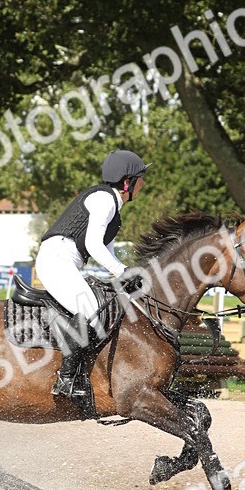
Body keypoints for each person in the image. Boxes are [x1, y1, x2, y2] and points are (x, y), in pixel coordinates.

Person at [34, 149, 148, 398]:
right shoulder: (103, 200)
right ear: (127, 183)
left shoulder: (113, 207)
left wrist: (122, 275)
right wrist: (122, 271)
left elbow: (107, 252)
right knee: (90, 311)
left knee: (100, 308)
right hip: (55, 260)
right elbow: (94, 245)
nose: (143, 184)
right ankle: (65, 380)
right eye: (140, 179)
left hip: (64, 261)